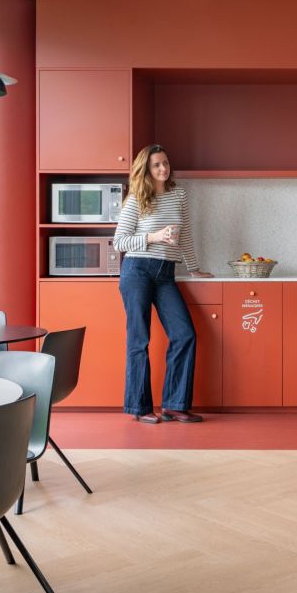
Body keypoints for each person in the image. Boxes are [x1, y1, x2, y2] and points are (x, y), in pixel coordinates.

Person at [113, 144, 213, 424]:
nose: (163, 168)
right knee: (139, 339)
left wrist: (194, 268)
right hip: (137, 270)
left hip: (166, 274)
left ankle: (174, 404)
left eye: (166, 163)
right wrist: (153, 237)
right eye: (156, 164)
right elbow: (119, 242)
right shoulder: (137, 198)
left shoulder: (178, 194)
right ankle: (139, 407)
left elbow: (186, 234)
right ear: (146, 169)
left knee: (184, 334)